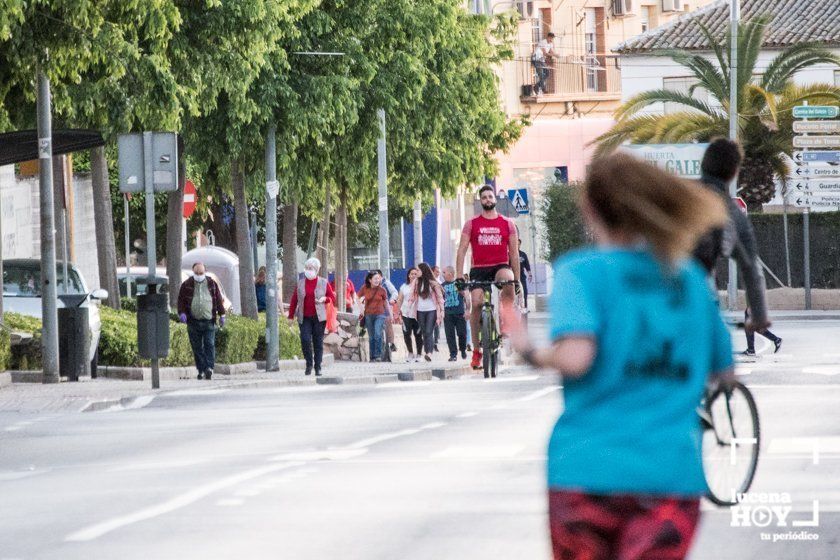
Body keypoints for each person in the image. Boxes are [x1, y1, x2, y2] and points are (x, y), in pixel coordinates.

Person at [506, 153, 731, 560]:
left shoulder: (582, 272)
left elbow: (577, 357)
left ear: (590, 208)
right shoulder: (690, 280)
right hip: (669, 473)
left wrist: (527, 348)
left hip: (586, 471)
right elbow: (724, 372)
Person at [692, 138, 770, 332]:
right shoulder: (732, 215)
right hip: (697, 297)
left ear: (703, 164)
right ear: (734, 172)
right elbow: (751, 268)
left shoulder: (676, 194)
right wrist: (759, 317)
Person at [456, 184, 521, 370]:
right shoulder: (471, 224)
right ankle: (477, 351)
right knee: (476, 304)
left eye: (490, 196)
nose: (487, 200)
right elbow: (461, 250)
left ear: (496, 199)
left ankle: (505, 319)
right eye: (484, 197)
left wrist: (517, 280)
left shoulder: (507, 223)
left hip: (500, 266)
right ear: (480, 201)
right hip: (479, 269)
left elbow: (514, 254)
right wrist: (460, 276)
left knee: (507, 279)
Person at [178, 262, 226, 380]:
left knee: (209, 344)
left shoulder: (212, 284)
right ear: (193, 272)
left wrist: (222, 315)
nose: (199, 275)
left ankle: (209, 367)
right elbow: (181, 301)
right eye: (196, 273)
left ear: (205, 272)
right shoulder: (186, 285)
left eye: (201, 273)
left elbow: (218, 300)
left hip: (209, 321)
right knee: (197, 347)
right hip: (193, 321)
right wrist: (182, 313)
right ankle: (201, 370)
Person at [288, 258, 335, 376]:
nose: (308, 271)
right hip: (304, 317)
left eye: (311, 269)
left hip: (319, 318)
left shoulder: (324, 282)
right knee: (305, 340)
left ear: (316, 270)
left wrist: (325, 299)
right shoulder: (300, 283)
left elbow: (332, 297)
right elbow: (294, 300)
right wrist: (290, 316)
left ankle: (317, 367)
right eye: (307, 268)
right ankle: (309, 364)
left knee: (317, 342)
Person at [405, 262, 444, 362]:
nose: (416, 272)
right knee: (424, 332)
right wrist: (408, 308)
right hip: (420, 311)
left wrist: (442, 310)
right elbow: (412, 296)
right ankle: (427, 352)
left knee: (428, 331)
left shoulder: (433, 283)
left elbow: (440, 298)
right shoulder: (416, 282)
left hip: (432, 310)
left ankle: (429, 353)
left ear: (423, 271)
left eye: (418, 270)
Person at [358, 270, 390, 361]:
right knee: (371, 336)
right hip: (368, 315)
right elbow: (357, 297)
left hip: (380, 314)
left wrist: (390, 314)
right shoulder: (365, 288)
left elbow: (386, 302)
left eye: (378, 279)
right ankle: (372, 357)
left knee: (377, 333)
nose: (377, 280)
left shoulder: (382, 290)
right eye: (375, 279)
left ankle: (378, 355)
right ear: (370, 280)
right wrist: (361, 309)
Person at [441, 266, 469, 361]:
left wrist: (468, 310)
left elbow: (466, 297)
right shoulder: (442, 286)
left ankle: (463, 349)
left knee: (462, 333)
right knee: (450, 335)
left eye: (444, 272)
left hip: (459, 312)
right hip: (448, 313)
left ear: (450, 274)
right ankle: (453, 354)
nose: (443, 274)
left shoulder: (459, 283)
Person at [396, 267, 423, 362]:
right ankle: (410, 353)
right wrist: (397, 313)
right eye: (412, 274)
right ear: (408, 275)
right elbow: (399, 300)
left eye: (415, 274)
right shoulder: (404, 286)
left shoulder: (421, 286)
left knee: (418, 334)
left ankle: (419, 354)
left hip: (418, 314)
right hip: (405, 314)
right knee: (407, 334)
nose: (413, 275)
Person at [518, 240, 533, 311]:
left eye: (518, 244)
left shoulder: (523, 254)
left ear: (520, 245)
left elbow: (527, 265)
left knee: (524, 291)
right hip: (512, 276)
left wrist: (530, 274)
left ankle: (525, 307)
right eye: (516, 244)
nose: (517, 245)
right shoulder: (509, 254)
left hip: (521, 276)